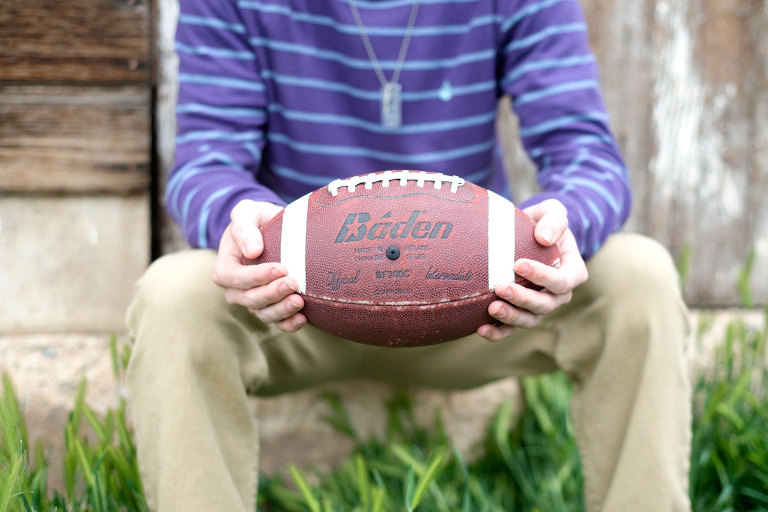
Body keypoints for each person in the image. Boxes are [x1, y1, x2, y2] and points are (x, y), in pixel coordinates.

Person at [126, 0, 692, 510]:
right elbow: (206, 160)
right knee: (174, 294)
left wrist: (560, 227)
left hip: (480, 310)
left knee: (639, 276)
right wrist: (240, 219)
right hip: (295, 309)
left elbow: (587, 154)